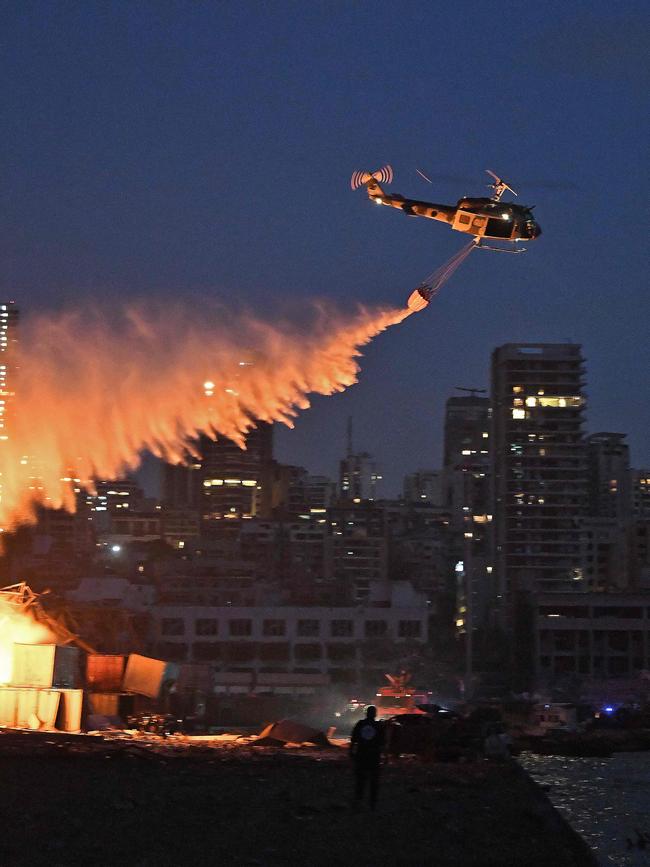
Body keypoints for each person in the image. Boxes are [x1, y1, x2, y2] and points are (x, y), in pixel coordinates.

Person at [350, 705, 384, 809]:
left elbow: (353, 740)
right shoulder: (378, 726)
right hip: (374, 756)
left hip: (362, 755)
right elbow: (383, 742)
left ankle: (359, 801)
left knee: (360, 781)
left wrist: (351, 752)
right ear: (375, 714)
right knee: (373, 782)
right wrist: (384, 755)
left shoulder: (360, 724)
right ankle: (372, 803)